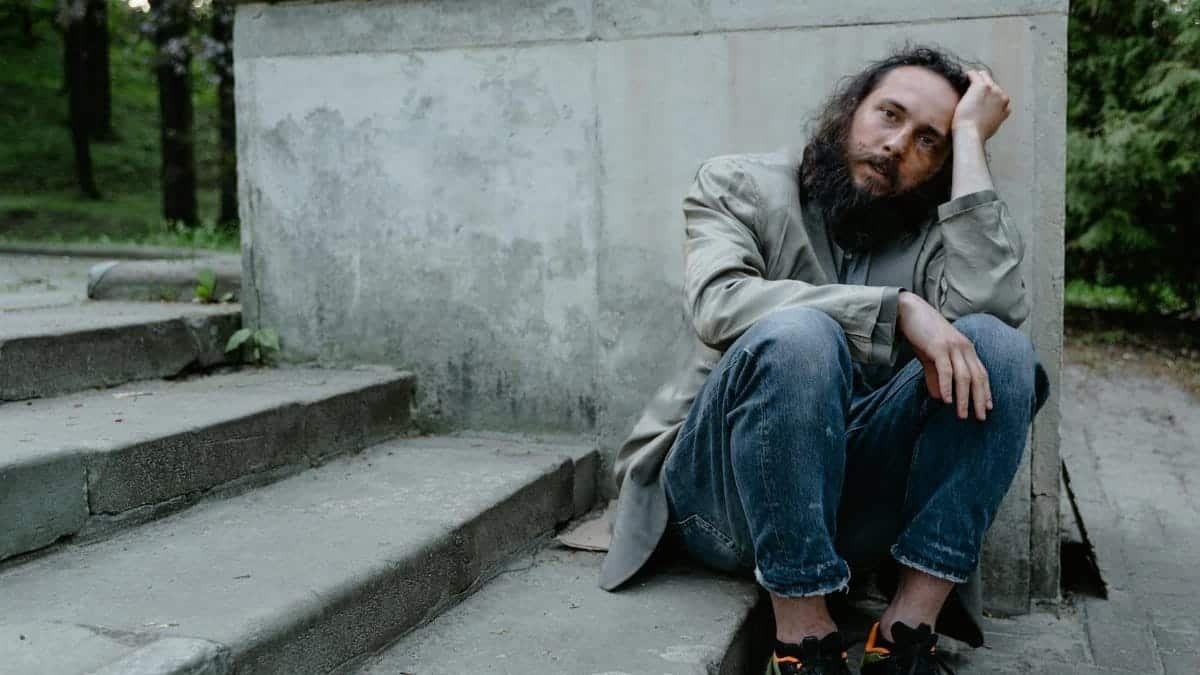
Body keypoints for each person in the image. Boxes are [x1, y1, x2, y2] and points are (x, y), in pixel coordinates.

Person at [598, 45, 1051, 675]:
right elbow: (718, 303)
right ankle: (803, 642)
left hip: (850, 513)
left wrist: (971, 139)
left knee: (998, 347)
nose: (897, 145)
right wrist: (896, 310)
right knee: (800, 335)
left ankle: (906, 634)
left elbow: (996, 312)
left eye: (929, 141)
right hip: (721, 500)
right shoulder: (739, 184)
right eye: (889, 115)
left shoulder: (937, 232)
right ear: (849, 110)